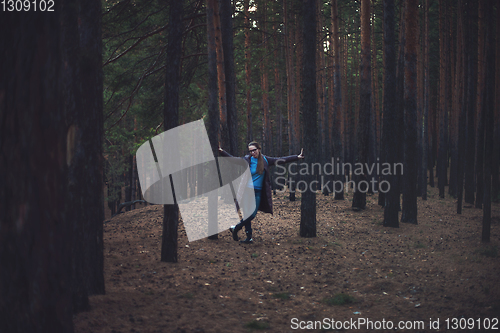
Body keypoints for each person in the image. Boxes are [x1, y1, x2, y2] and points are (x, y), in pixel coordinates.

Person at [218, 142, 304, 243]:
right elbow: (233, 160)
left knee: (252, 214)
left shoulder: (266, 160)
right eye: (250, 151)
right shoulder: (247, 160)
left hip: (257, 192)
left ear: (259, 149)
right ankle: (249, 237)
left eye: (254, 150)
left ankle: (236, 228)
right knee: (247, 214)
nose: (252, 153)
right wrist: (222, 152)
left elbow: (281, 160)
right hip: (247, 191)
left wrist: (297, 157)